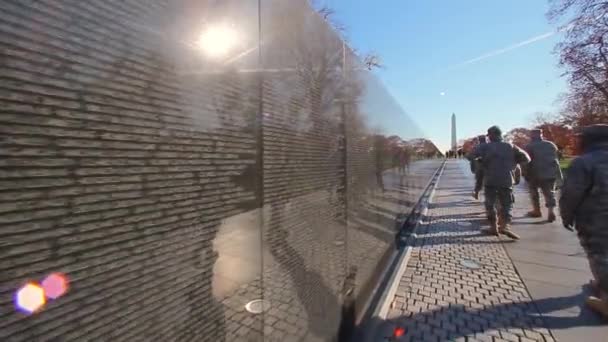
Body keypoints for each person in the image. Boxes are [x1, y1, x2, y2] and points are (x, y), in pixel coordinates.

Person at [559, 124, 608, 319]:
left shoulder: (584, 162)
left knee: (601, 256)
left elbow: (571, 194)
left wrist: (566, 216)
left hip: (596, 219)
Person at [468, 126, 530, 240]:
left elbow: (470, 156)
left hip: (490, 179)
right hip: (506, 179)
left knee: (490, 204)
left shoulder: (485, 147)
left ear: (491, 135)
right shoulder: (510, 146)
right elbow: (527, 158)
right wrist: (513, 163)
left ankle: (493, 227)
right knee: (507, 204)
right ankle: (505, 226)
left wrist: (482, 161)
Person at [524, 129, 562, 222]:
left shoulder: (529, 146)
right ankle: (551, 211)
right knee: (549, 192)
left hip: (535, 172)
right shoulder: (551, 144)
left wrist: (525, 173)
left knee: (534, 192)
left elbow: (526, 161)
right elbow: (557, 157)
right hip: (550, 171)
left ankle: (537, 210)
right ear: (541, 135)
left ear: (532, 136)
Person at [469, 135, 487, 200]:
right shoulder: (490, 146)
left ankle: (476, 192)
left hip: (479, 167)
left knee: (479, 181)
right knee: (489, 183)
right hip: (489, 167)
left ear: (479, 140)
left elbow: (470, 157)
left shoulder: (476, 147)